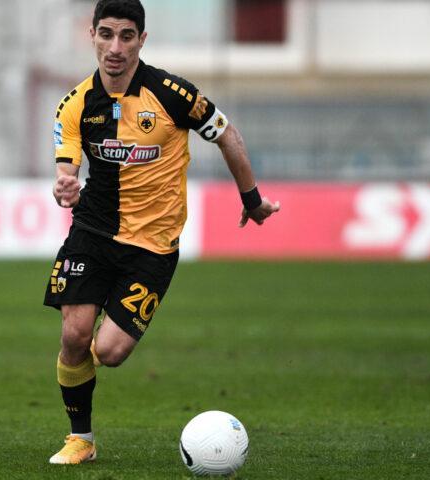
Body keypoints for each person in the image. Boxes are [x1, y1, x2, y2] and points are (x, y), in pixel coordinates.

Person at [44, 0, 280, 465]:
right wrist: (64, 185)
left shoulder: (173, 95)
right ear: (92, 35)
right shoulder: (75, 104)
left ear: (141, 40)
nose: (115, 47)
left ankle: (87, 372)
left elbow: (227, 135)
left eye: (126, 36)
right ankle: (81, 440)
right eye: (106, 34)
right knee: (74, 335)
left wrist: (251, 200)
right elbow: (66, 170)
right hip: (92, 232)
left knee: (109, 352)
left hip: (153, 246)